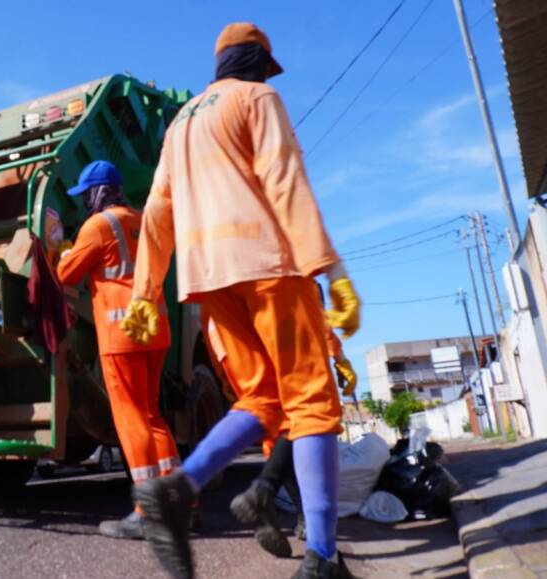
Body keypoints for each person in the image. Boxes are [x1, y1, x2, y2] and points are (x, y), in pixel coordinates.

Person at [120, 22, 361, 579]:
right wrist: (332, 269)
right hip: (270, 264)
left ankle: (178, 487)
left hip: (208, 279)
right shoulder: (259, 98)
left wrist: (146, 291)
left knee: (262, 399)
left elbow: (158, 210)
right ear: (256, 62)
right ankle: (322, 557)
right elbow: (285, 180)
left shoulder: (180, 122)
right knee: (311, 404)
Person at [56, 160, 179, 540]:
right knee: (152, 415)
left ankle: (147, 512)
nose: (84, 203)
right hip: (154, 329)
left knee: (131, 421)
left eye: (86, 195)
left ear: (99, 192)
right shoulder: (144, 221)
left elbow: (65, 275)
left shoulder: (97, 226)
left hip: (120, 333)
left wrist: (61, 251)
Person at [225, 301, 358, 558]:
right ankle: (268, 496)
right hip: (290, 364)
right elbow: (314, 317)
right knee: (307, 426)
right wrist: (340, 358)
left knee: (278, 441)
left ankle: (279, 510)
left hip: (246, 356)